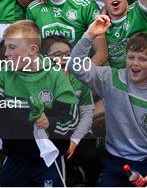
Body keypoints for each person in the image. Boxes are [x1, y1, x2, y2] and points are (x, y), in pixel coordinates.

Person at [68, 16, 147, 186]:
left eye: (143, 59)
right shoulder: (111, 78)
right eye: (131, 57)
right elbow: (75, 66)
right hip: (114, 163)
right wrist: (89, 35)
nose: (135, 64)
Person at [0, 20, 78, 187]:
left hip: (48, 160)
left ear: (32, 50)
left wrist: (50, 122)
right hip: (15, 157)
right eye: (6, 47)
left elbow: (71, 118)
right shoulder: (5, 73)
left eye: (12, 48)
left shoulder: (55, 76)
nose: (6, 53)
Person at [41, 35, 98, 186]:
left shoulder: (80, 79)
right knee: (57, 162)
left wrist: (75, 140)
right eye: (57, 55)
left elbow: (87, 113)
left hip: (78, 131)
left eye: (67, 54)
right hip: (52, 133)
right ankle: (71, 178)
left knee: (90, 157)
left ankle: (92, 182)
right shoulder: (40, 81)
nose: (64, 58)